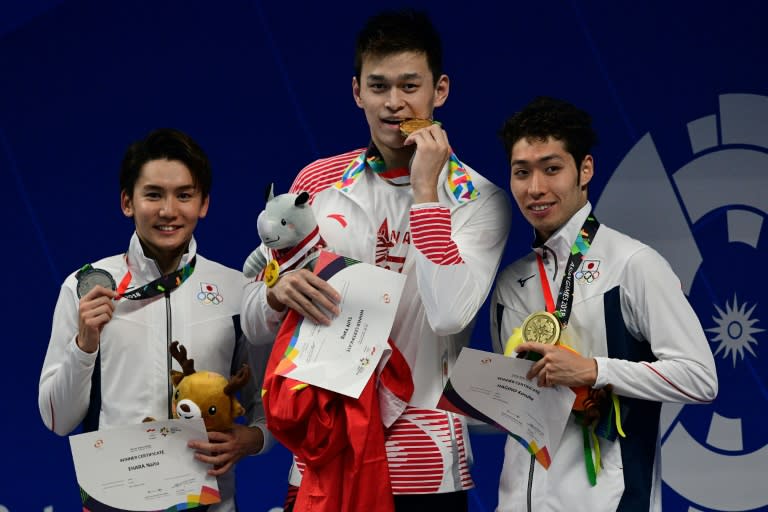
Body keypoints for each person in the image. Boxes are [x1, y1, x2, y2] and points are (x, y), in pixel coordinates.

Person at [242, 9, 511, 511]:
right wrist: (275, 294)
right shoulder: (316, 184)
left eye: (410, 86)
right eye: (379, 86)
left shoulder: (479, 199)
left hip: (423, 464)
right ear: (356, 92)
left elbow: (450, 312)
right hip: (325, 453)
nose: (394, 104)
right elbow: (256, 320)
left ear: (441, 90)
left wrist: (428, 191)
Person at [490, 96, 718, 511]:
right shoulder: (510, 283)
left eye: (552, 168)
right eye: (521, 172)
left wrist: (592, 371)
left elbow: (700, 377)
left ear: (585, 170)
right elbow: (518, 411)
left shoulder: (633, 264)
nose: (535, 187)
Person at [38, 128, 272, 512]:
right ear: (127, 202)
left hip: (209, 503)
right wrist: (85, 344)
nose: (168, 210)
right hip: (112, 502)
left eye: (184, 195)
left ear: (204, 204)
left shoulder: (237, 289)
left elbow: (266, 406)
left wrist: (253, 439)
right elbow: (56, 419)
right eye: (153, 195)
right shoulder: (84, 288)